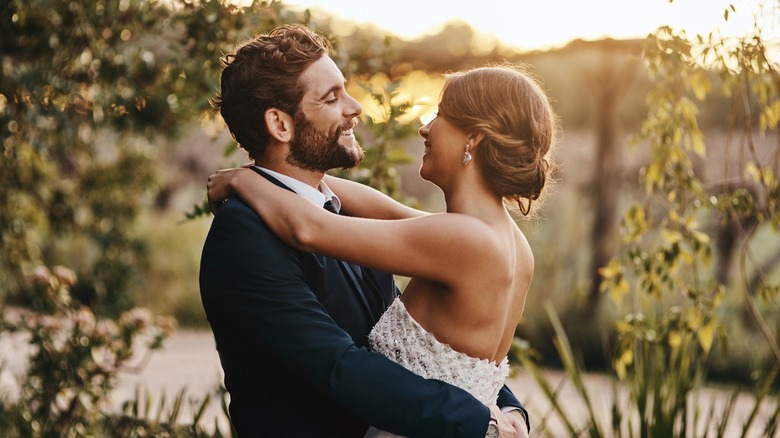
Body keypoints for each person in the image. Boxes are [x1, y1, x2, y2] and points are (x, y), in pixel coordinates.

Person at [199, 24, 531, 437]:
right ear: (280, 125)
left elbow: (429, 340)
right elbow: (340, 366)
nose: (356, 107)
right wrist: (483, 421)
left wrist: (503, 408)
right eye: (332, 97)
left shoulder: (349, 219)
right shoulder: (244, 236)